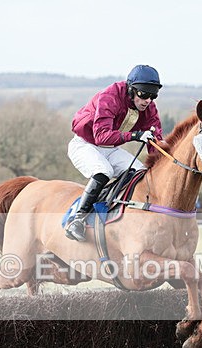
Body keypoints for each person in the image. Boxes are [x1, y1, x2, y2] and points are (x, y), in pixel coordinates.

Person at [64, 65, 164, 241]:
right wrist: (134, 135)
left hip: (110, 149)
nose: (148, 100)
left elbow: (156, 143)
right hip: (85, 144)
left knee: (141, 174)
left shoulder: (149, 108)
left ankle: (116, 212)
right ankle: (77, 219)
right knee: (104, 171)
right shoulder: (110, 97)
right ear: (131, 90)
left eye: (152, 95)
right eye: (143, 94)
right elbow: (101, 137)